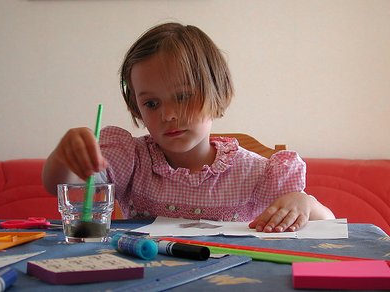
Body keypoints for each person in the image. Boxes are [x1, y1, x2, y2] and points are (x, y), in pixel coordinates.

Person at [42, 22, 334, 233]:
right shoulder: (131, 159)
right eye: (152, 104)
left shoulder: (260, 174)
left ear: (216, 92)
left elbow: (328, 228)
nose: (168, 115)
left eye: (182, 97)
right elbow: (63, 185)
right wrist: (65, 158)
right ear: (136, 108)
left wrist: (306, 204)